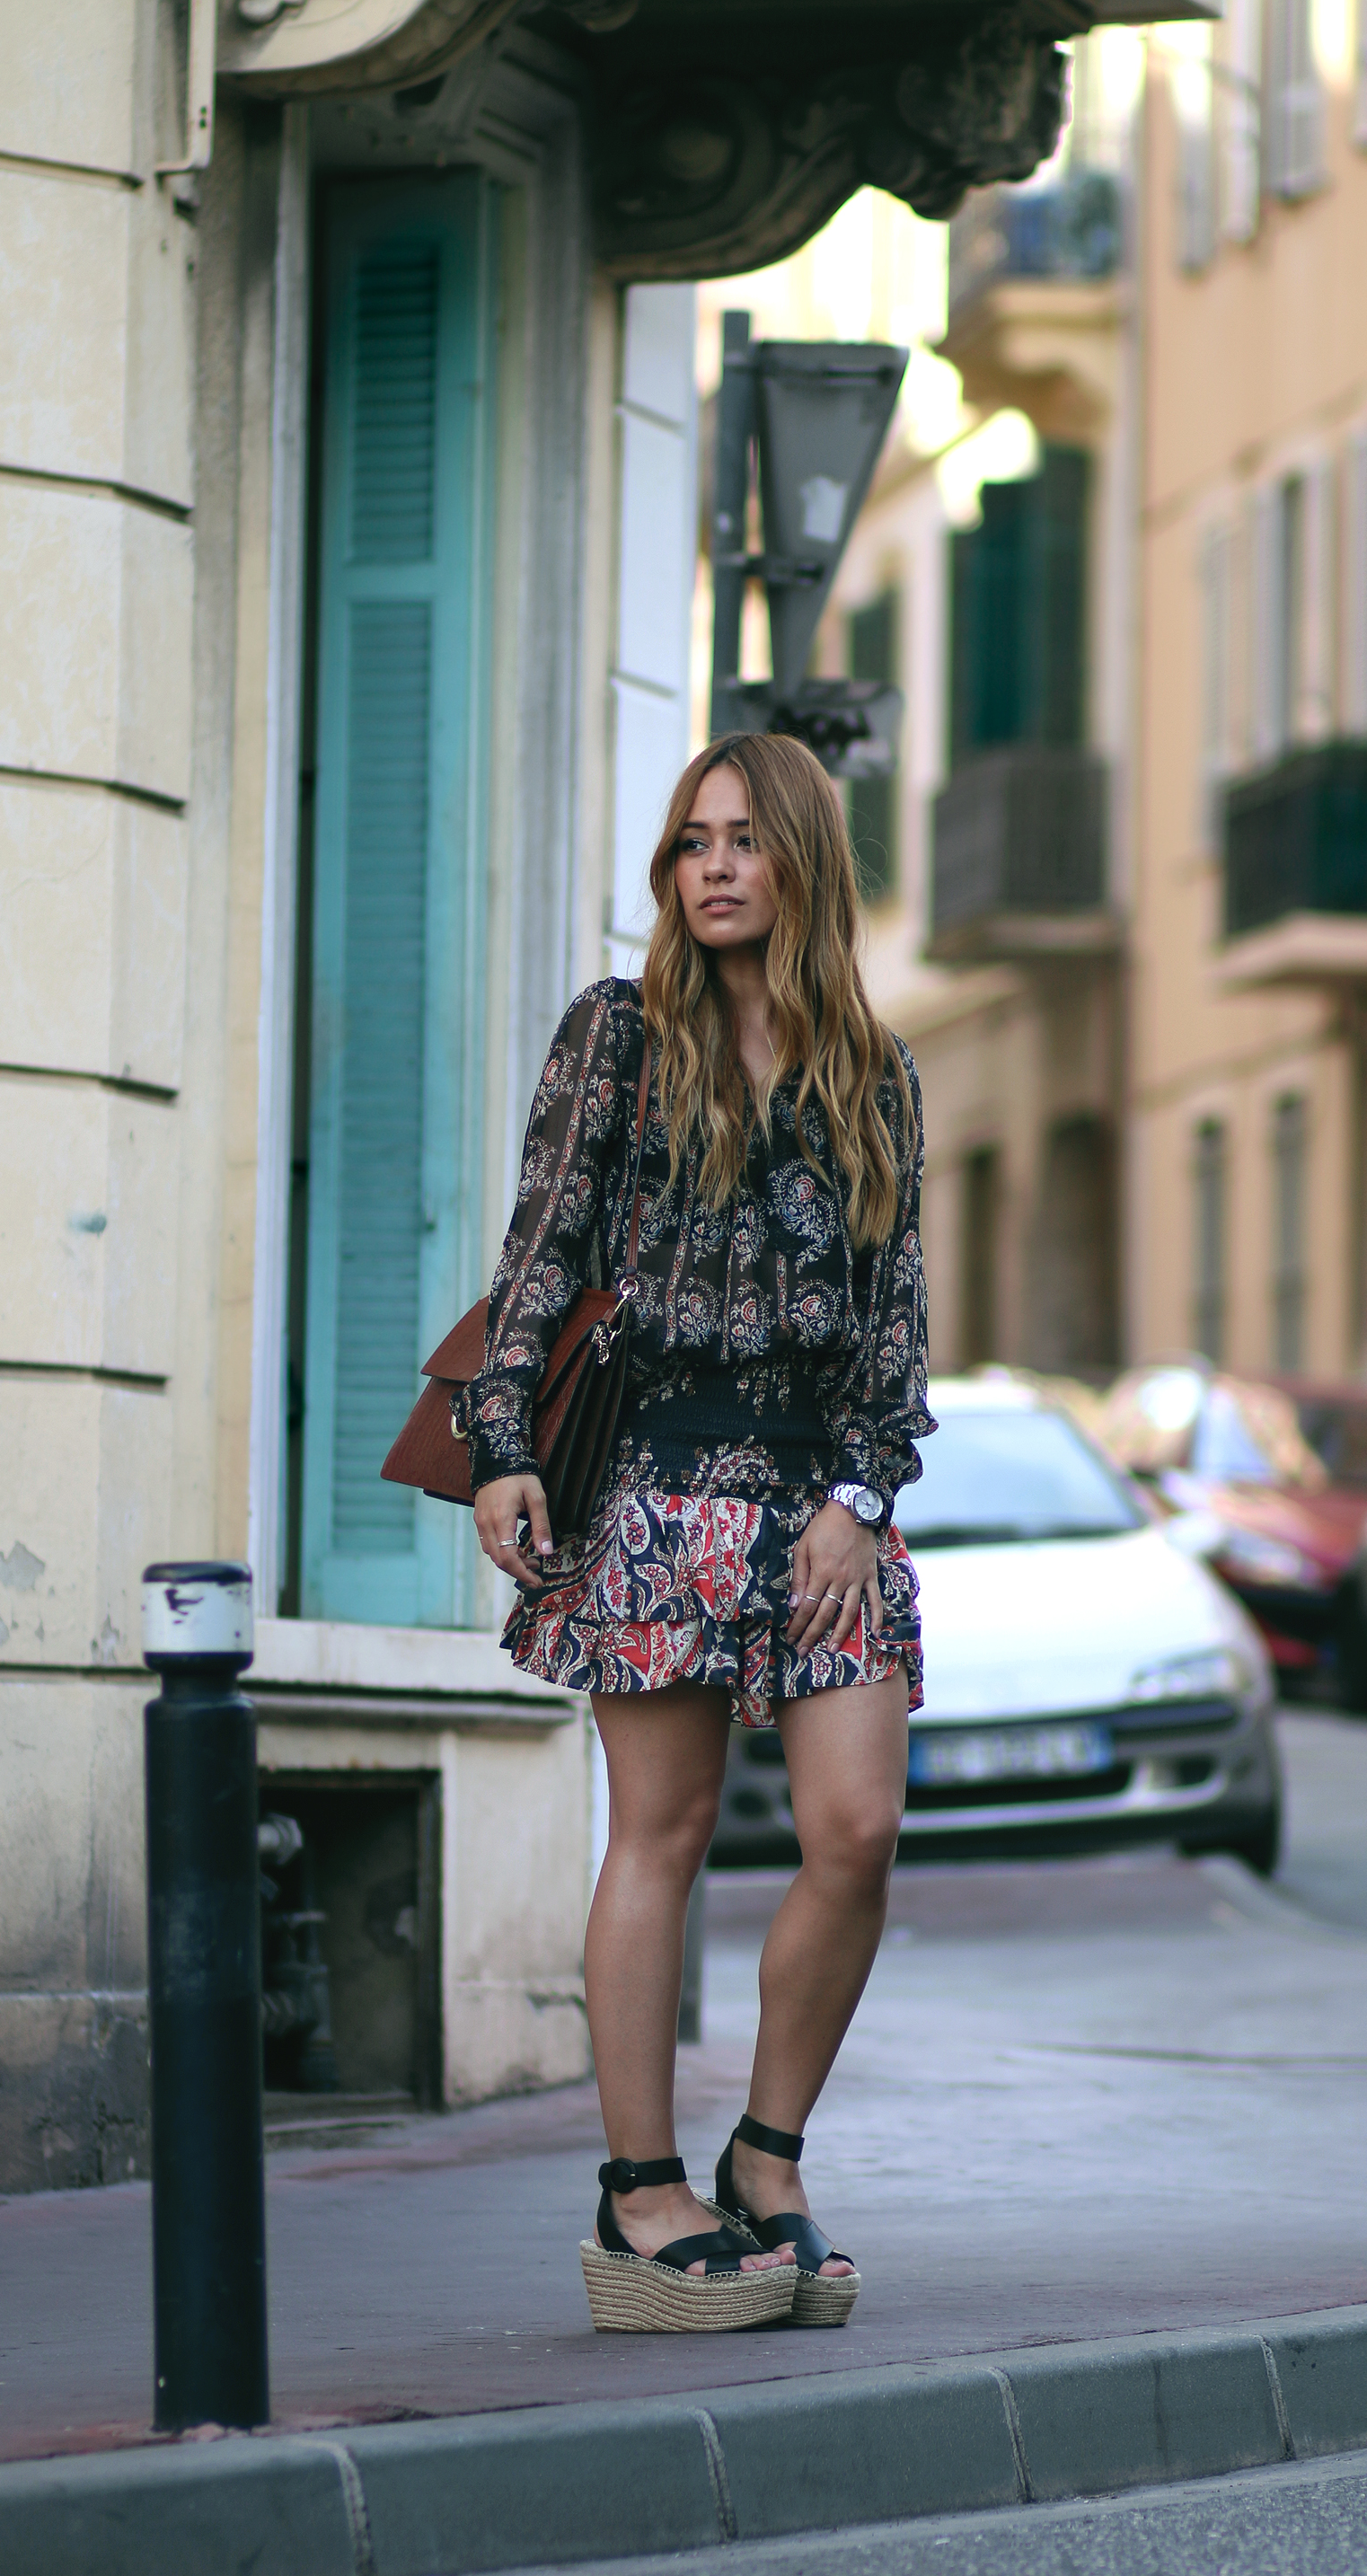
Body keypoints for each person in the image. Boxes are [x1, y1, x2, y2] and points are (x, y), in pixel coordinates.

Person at [468, 731, 932, 2333]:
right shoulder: (620, 1035)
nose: (715, 866)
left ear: (802, 861)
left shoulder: (875, 1071)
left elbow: (897, 1326)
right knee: (657, 1834)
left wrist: (859, 1501)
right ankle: (635, 2194)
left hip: (827, 1512)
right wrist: (502, 1445)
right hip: (659, 1486)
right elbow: (540, 1252)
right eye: (690, 842)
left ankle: (767, 2155)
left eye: (744, 839)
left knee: (854, 1831)